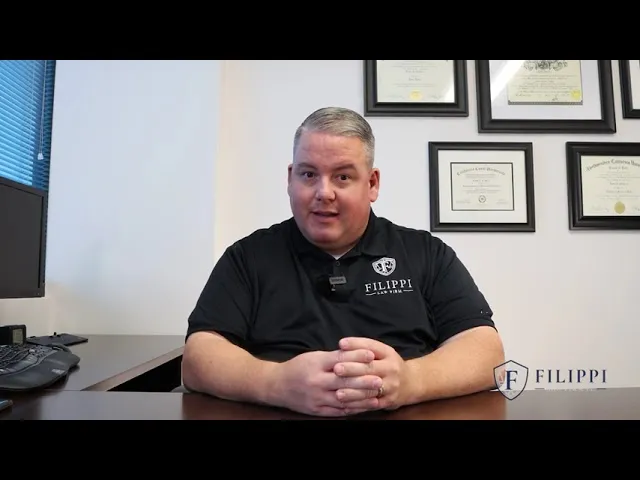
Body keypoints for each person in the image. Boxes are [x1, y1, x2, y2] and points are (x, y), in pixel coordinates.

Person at [182, 106, 505, 417]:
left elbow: (486, 352)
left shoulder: (425, 253)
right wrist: (275, 383)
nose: (324, 192)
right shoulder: (247, 258)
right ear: (291, 178)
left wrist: (411, 380)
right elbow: (199, 357)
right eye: (309, 174)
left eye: (342, 177)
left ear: (372, 183)